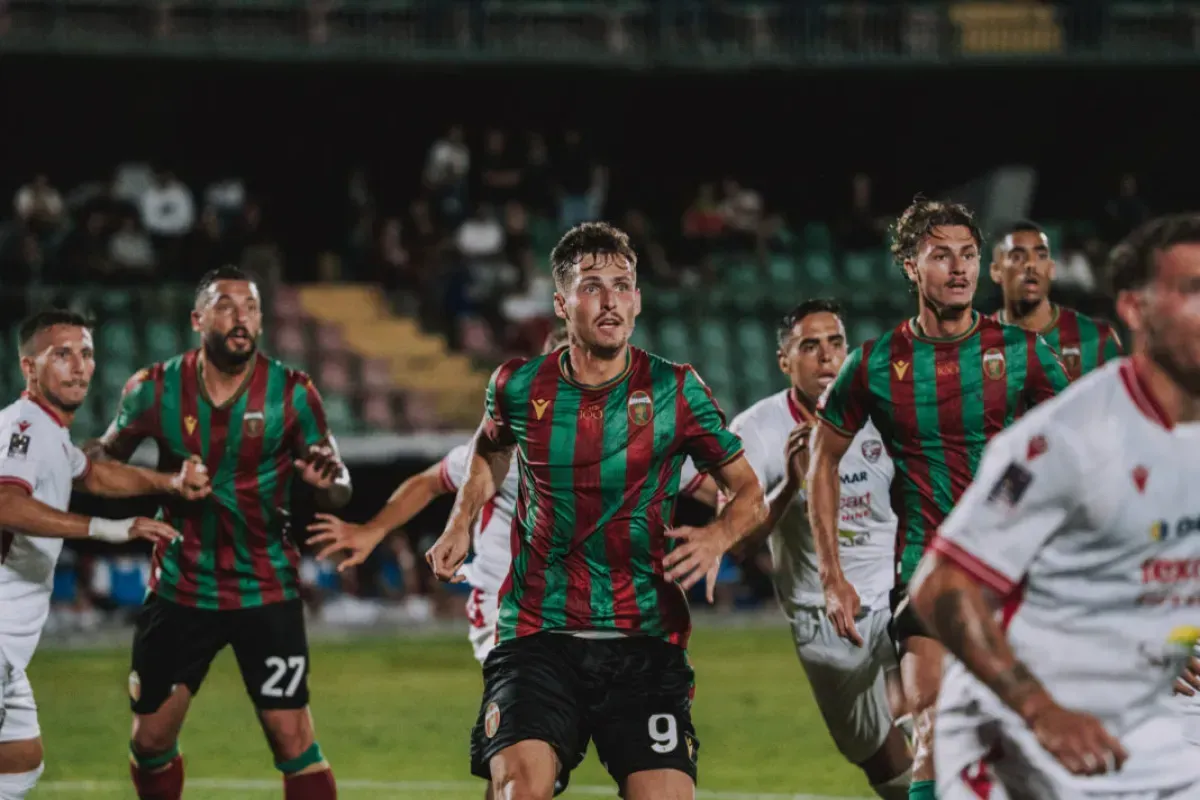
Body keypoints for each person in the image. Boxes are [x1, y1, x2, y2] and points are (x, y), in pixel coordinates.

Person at [426, 222, 766, 800]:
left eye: (622, 284)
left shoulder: (676, 390)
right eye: (592, 286)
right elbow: (488, 449)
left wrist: (717, 538)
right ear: (562, 303)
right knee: (518, 791)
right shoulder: (516, 385)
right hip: (537, 633)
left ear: (637, 298)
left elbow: (749, 493)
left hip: (645, 638)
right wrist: (460, 520)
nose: (610, 299)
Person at [909, 212, 1200, 799]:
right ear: (1135, 310)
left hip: (1152, 725)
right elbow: (941, 587)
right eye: (1191, 290)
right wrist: (1041, 709)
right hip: (1026, 740)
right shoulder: (1069, 439)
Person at [810, 199, 1070, 800]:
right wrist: (832, 575)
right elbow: (823, 462)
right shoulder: (873, 364)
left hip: (1018, 573)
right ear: (909, 265)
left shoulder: (1023, 353)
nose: (959, 269)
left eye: (970, 256)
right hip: (928, 571)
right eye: (941, 255)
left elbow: (1086, 440)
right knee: (931, 722)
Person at [92, 266, 351, 800]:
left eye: (251, 307)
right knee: (151, 738)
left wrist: (328, 483)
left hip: (267, 585)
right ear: (197, 318)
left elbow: (338, 486)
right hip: (181, 586)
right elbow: (99, 466)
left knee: (292, 737)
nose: (241, 318)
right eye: (226, 305)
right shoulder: (152, 389)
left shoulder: (294, 392)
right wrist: (163, 480)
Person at [681, 299, 912, 799]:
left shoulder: (882, 413)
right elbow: (741, 544)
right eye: (810, 346)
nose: (827, 358)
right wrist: (789, 484)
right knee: (881, 762)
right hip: (821, 618)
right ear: (785, 361)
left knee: (926, 710)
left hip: (895, 593)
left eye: (835, 344)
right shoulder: (757, 430)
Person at [0, 309, 207, 800]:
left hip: (10, 650)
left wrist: (168, 482)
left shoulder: (50, 433)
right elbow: (7, 503)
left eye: (87, 353)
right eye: (62, 354)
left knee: (19, 764)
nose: (79, 365)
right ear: (29, 368)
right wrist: (108, 529)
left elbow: (93, 473)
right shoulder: (23, 429)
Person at [308, 325, 568, 666]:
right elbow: (429, 482)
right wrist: (374, 529)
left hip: (581, 608)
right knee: (533, 705)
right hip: (507, 610)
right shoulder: (512, 445)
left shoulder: (620, 448)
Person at [990, 219, 1123, 379]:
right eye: (1017, 256)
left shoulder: (1099, 340)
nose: (1031, 264)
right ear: (996, 271)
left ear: (1052, 269)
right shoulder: (972, 344)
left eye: (1041, 256)